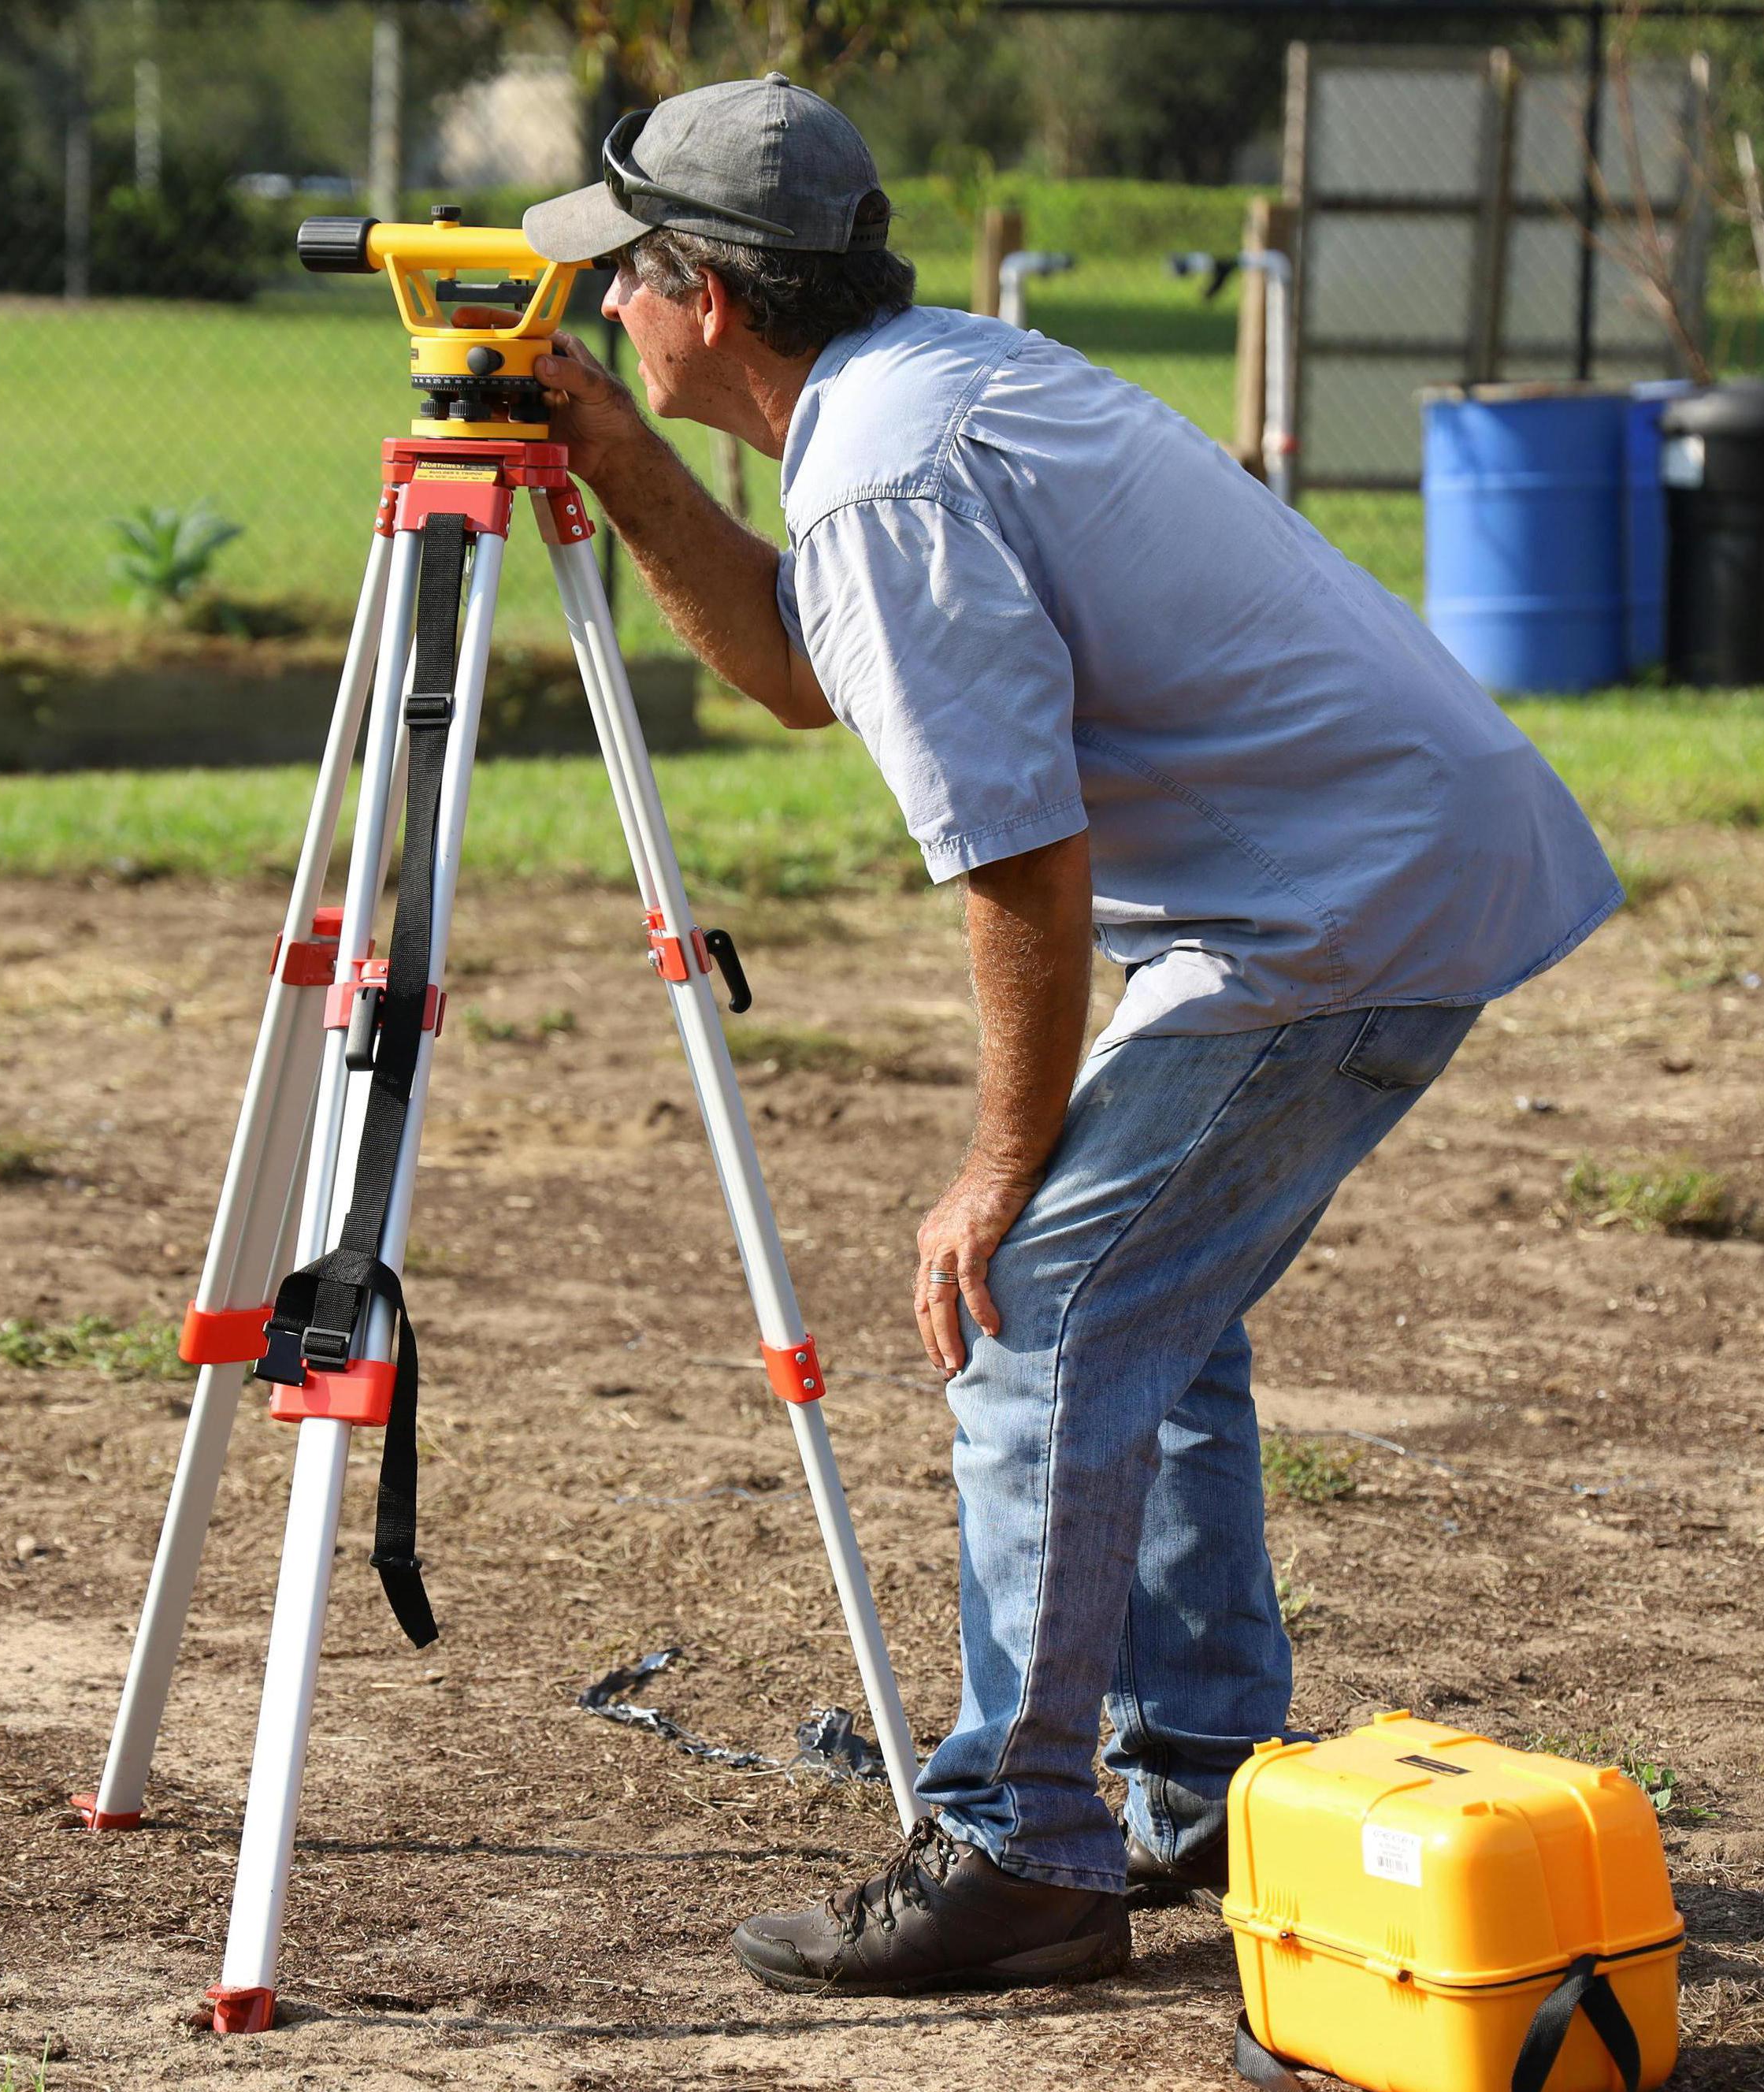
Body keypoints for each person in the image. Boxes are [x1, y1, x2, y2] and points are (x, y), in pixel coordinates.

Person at [518, 75, 1623, 1996]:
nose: (600, 306)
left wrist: (991, 1169)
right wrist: (610, 455)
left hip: (1332, 909)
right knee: (1142, 1317)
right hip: (1359, 872)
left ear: (713, 292)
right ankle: (1197, 1777)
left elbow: (1021, 858)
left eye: (624, 280)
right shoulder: (912, 389)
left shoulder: (887, 471)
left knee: (1036, 1300)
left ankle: (1023, 1847)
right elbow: (801, 672)